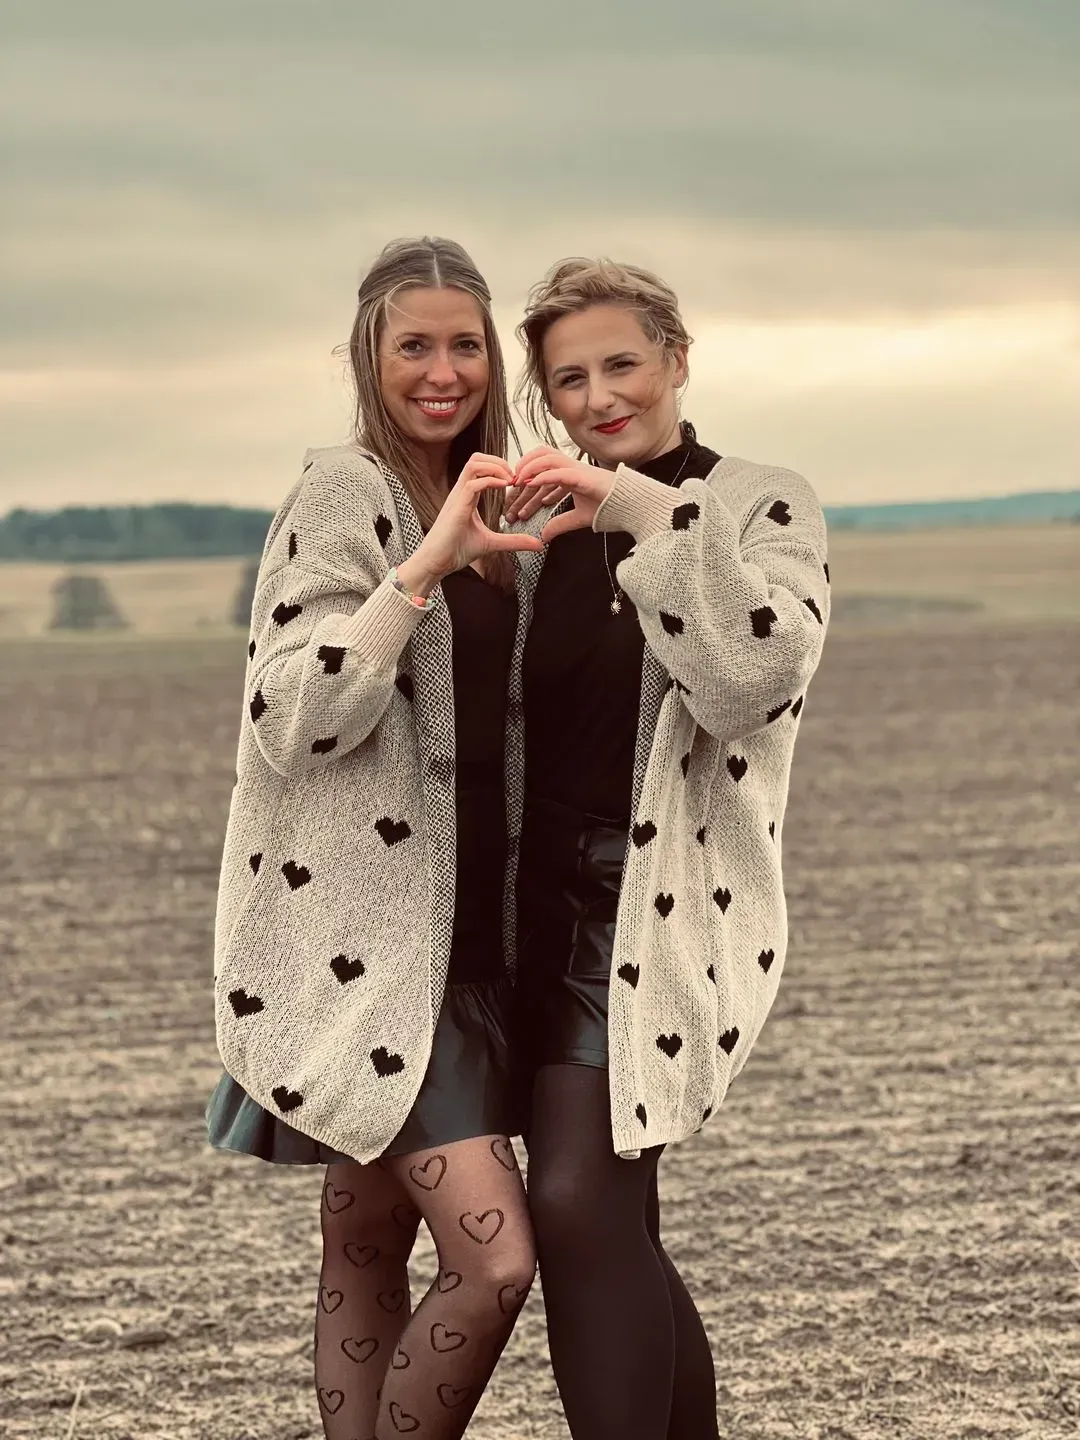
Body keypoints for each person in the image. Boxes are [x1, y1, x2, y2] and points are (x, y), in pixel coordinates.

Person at [206, 236, 541, 1440]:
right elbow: (293, 716)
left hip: (478, 938)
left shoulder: (505, 493)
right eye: (415, 346)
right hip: (371, 944)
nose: (443, 371)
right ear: (369, 355)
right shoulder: (346, 493)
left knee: (365, 1237)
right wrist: (424, 568)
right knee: (494, 1262)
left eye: (465, 345)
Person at [503, 258, 831, 1439]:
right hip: (519, 918)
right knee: (610, 1220)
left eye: (622, 364)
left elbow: (751, 677)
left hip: (651, 906)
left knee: (578, 1204)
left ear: (677, 359)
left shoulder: (760, 504)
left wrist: (639, 508)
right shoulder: (535, 524)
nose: (598, 398)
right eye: (568, 380)